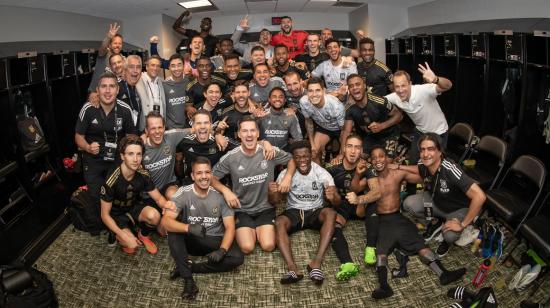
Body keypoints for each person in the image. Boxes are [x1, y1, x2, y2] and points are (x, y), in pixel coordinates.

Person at [367, 145, 466, 299]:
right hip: (383, 221)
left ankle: (443, 274)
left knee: (420, 244)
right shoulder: (370, 177)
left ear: (387, 158)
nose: (378, 160)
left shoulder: (397, 173)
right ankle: (384, 287)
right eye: (374, 158)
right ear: (371, 161)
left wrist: (433, 172)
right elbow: (357, 187)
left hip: (398, 218)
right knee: (381, 252)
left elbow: (423, 176)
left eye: (381, 156)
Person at [162, 156, 244, 300]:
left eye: (207, 172)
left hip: (213, 238)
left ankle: (191, 268)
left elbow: (230, 227)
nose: (204, 176)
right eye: (199, 173)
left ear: (211, 174)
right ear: (193, 176)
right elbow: (166, 222)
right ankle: (189, 280)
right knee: (173, 232)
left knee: (237, 258)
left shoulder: (221, 195)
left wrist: (222, 250)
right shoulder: (182, 193)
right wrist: (188, 227)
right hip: (192, 237)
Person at [211, 117, 294, 254]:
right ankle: (250, 229)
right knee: (247, 247)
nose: (249, 134)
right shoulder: (231, 157)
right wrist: (226, 191)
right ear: (239, 134)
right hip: (242, 209)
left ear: (258, 133)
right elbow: (212, 178)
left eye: (252, 131)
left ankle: (257, 229)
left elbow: (291, 159)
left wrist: (288, 177)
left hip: (265, 207)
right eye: (244, 131)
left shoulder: (269, 152)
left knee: (268, 246)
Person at [400, 133, 486, 258]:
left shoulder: (450, 168)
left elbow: (480, 196)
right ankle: (436, 223)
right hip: (436, 201)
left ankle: (447, 238)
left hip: (457, 209)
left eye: (430, 149)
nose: (425, 154)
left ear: (440, 152)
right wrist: (398, 168)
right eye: (422, 150)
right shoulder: (424, 163)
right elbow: (417, 170)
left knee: (450, 236)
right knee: (408, 204)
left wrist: (463, 224)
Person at [75, 72, 137, 236]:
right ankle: (103, 224)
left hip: (116, 159)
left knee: (117, 193)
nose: (107, 91)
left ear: (118, 90)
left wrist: (129, 156)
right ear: (98, 89)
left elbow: (132, 137)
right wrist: (88, 147)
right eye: (104, 86)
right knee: (96, 194)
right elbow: (78, 137)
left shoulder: (125, 109)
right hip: (93, 160)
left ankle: (115, 226)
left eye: (111, 86)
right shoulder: (88, 108)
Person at [270, 141, 338, 285]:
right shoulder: (285, 174)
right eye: (298, 157)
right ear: (293, 158)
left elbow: (337, 202)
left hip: (315, 211)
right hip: (294, 211)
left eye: (305, 156)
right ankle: (293, 269)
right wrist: (272, 192)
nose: (302, 160)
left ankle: (316, 264)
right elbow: (275, 201)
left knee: (331, 213)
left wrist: (334, 196)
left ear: (311, 155)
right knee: (279, 222)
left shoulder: (321, 172)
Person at [100, 135, 177, 255]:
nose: (135, 159)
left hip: (133, 207)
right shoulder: (112, 179)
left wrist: (168, 206)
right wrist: (122, 235)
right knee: (131, 245)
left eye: (139, 154)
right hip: (116, 214)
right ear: (122, 156)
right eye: (130, 154)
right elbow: (104, 215)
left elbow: (158, 198)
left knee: (155, 216)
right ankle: (115, 232)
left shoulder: (143, 174)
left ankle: (143, 235)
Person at [327, 135, 380, 272]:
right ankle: (347, 263)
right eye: (349, 146)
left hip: (360, 206)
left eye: (357, 147)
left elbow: (377, 192)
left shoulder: (368, 167)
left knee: (374, 202)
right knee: (332, 225)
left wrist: (360, 199)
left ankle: (370, 248)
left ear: (361, 150)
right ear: (344, 148)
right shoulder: (333, 167)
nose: (352, 151)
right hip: (342, 205)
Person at [385, 64, 452, 163]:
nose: (400, 90)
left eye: (403, 85)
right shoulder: (395, 96)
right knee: (413, 162)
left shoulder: (423, 90)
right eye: (397, 87)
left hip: (438, 132)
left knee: (433, 165)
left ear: (410, 84)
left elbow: (448, 85)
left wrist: (435, 79)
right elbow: (378, 101)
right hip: (420, 131)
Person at [339, 74, 402, 158]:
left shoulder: (379, 101)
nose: (355, 88)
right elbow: (346, 131)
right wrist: (342, 154)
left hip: (389, 134)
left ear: (364, 86)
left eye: (358, 84)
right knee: (359, 157)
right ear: (349, 90)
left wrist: (381, 126)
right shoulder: (349, 108)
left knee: (385, 162)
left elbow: (399, 116)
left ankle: (401, 149)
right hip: (370, 136)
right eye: (351, 86)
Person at [142, 112, 192, 201]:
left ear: (164, 128)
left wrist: (217, 134)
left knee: (174, 196)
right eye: (153, 128)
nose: (157, 131)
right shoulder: (140, 147)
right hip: (149, 193)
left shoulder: (171, 136)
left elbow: (194, 129)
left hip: (169, 185)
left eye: (160, 127)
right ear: (146, 130)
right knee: (153, 215)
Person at [176, 110, 229, 184]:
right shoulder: (184, 141)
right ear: (193, 126)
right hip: (192, 183)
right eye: (198, 123)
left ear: (211, 125)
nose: (202, 126)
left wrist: (217, 134)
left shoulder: (222, 142)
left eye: (206, 123)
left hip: (215, 184)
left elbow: (242, 148)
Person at [300, 78, 345, 163]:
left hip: (340, 129)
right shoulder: (304, 102)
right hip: (323, 128)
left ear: (324, 91)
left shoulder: (335, 105)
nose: (314, 94)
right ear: (307, 92)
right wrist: (312, 144)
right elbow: (308, 122)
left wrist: (342, 152)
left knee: (343, 157)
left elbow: (344, 130)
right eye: (310, 91)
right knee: (313, 154)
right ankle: (320, 174)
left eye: (317, 90)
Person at [88, 23, 123, 102]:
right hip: (95, 95)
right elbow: (103, 48)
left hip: (110, 96)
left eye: (120, 43)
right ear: (110, 45)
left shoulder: (121, 59)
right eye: (115, 43)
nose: (117, 45)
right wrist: (109, 37)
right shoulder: (105, 54)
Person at [135, 56, 166, 132]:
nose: (155, 68)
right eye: (152, 65)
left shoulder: (161, 82)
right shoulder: (138, 80)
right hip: (144, 127)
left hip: (159, 126)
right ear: (146, 67)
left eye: (158, 66)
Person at [163, 54, 190, 129]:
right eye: (173, 66)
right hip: (171, 129)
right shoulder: (164, 85)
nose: (176, 68)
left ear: (184, 66)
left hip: (189, 127)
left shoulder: (189, 82)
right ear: (169, 68)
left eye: (179, 65)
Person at [117, 55, 142, 127]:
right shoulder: (117, 87)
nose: (135, 71)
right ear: (125, 70)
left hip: (134, 134)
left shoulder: (137, 87)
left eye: (138, 67)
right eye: (131, 67)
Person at [283, 71, 307, 138]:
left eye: (295, 83)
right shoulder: (285, 94)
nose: (293, 88)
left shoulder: (309, 94)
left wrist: (296, 110)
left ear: (301, 81)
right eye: (289, 85)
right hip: (292, 124)